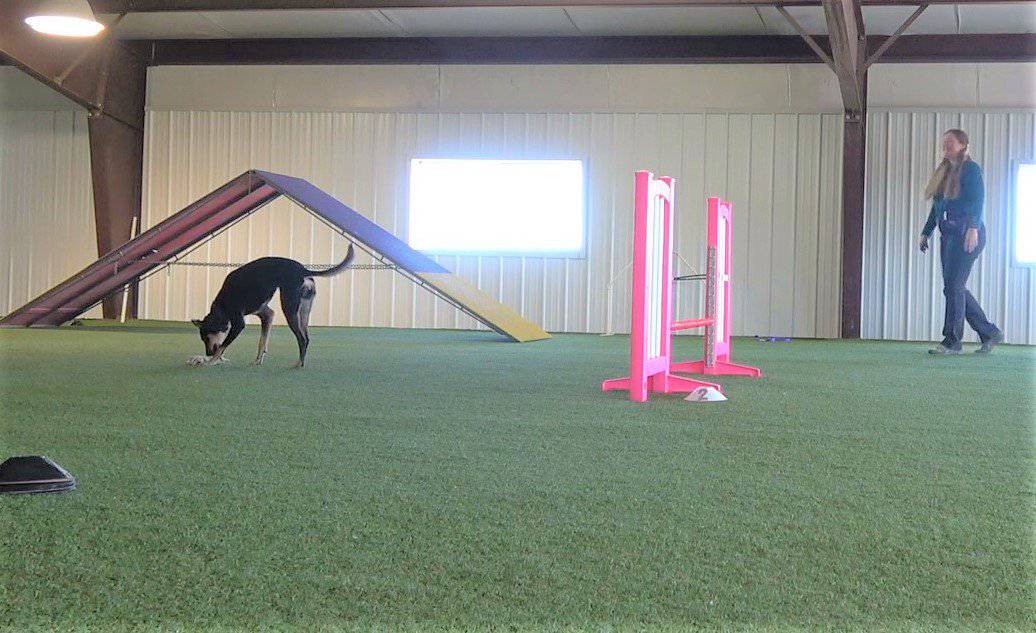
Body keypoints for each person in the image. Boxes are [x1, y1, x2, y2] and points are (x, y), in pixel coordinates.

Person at [919, 129, 1003, 354]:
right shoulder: (945, 172)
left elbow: (978, 200)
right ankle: (990, 333)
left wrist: (974, 228)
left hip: (968, 234)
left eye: (950, 143)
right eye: (944, 144)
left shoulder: (971, 169)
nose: (945, 147)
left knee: (954, 287)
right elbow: (937, 207)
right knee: (953, 288)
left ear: (963, 145)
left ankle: (952, 341)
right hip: (948, 236)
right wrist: (926, 232)